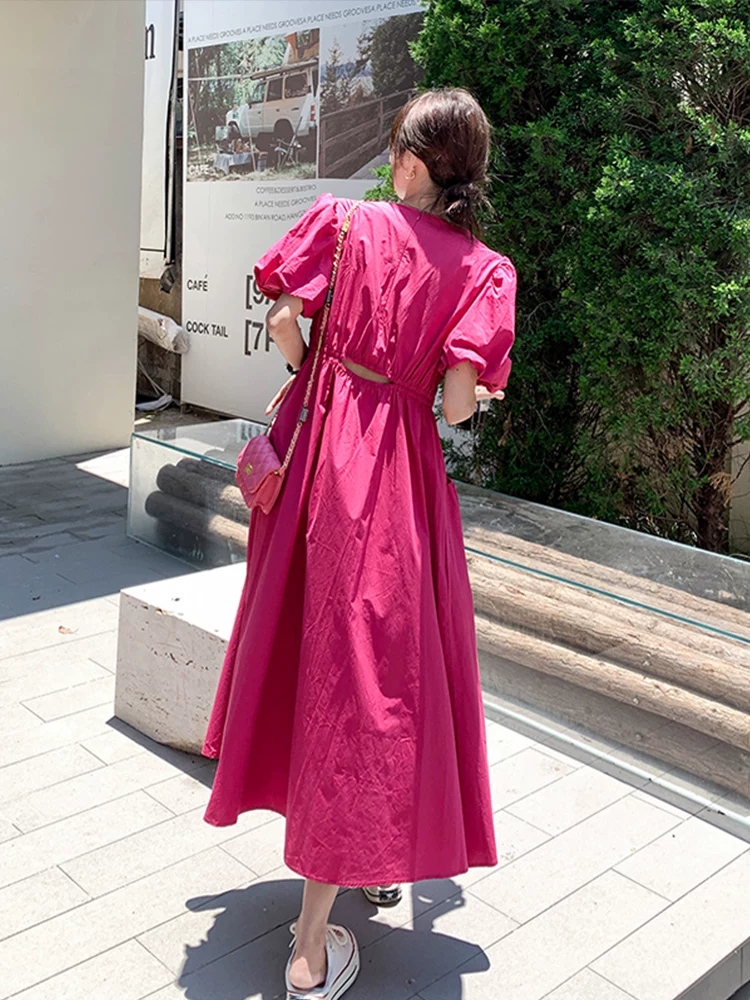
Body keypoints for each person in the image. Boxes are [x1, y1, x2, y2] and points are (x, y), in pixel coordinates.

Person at [201, 87, 516, 1000]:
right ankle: (313, 941)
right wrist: (468, 385)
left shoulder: (344, 224)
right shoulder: (486, 271)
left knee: (312, 655)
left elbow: (281, 323)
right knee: (376, 674)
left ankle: (328, 908)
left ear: (411, 160)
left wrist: (319, 368)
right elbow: (456, 408)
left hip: (318, 465)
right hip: (397, 480)